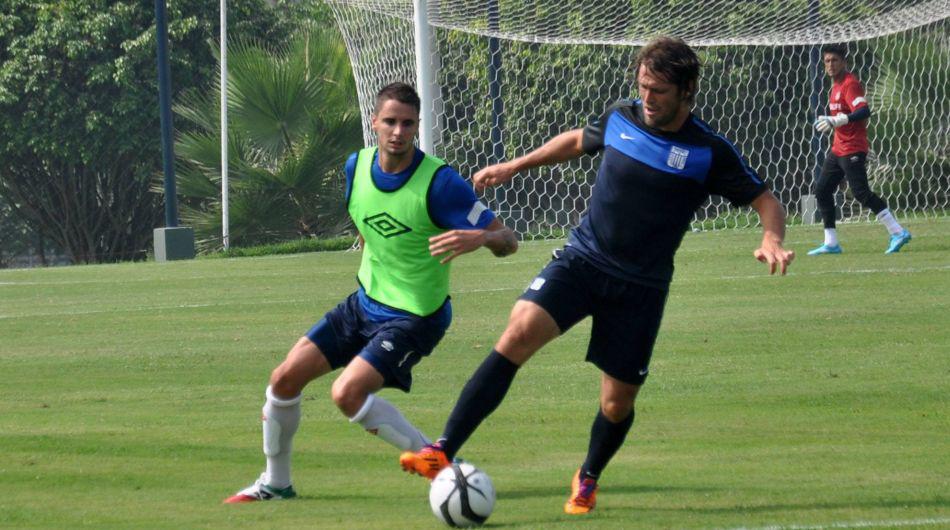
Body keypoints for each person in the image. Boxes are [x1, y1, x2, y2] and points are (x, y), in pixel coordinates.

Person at [399, 36, 794, 515]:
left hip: (641, 287)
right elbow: (577, 141)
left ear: (688, 91)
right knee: (519, 330)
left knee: (616, 404)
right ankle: (442, 448)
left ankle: (588, 476)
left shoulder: (708, 151)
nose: (648, 98)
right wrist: (516, 165)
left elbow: (765, 200)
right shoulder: (620, 117)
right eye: (644, 86)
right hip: (584, 260)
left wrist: (771, 238)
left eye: (660, 91)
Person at [224, 82, 518, 503]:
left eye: (408, 123)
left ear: (417, 127)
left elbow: (509, 239)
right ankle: (275, 483)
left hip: (415, 317)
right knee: (283, 380)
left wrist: (481, 240)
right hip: (363, 305)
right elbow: (368, 224)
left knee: (347, 393)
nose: (399, 131)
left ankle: (439, 466)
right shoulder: (354, 167)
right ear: (374, 123)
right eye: (391, 122)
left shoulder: (441, 184)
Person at [808, 43, 911, 255]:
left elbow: (864, 111)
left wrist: (840, 119)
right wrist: (834, 122)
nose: (830, 65)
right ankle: (831, 243)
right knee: (822, 190)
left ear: (843, 62)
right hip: (838, 149)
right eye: (827, 61)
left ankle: (898, 232)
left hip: (853, 148)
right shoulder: (835, 87)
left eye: (835, 60)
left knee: (861, 192)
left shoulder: (850, 83)